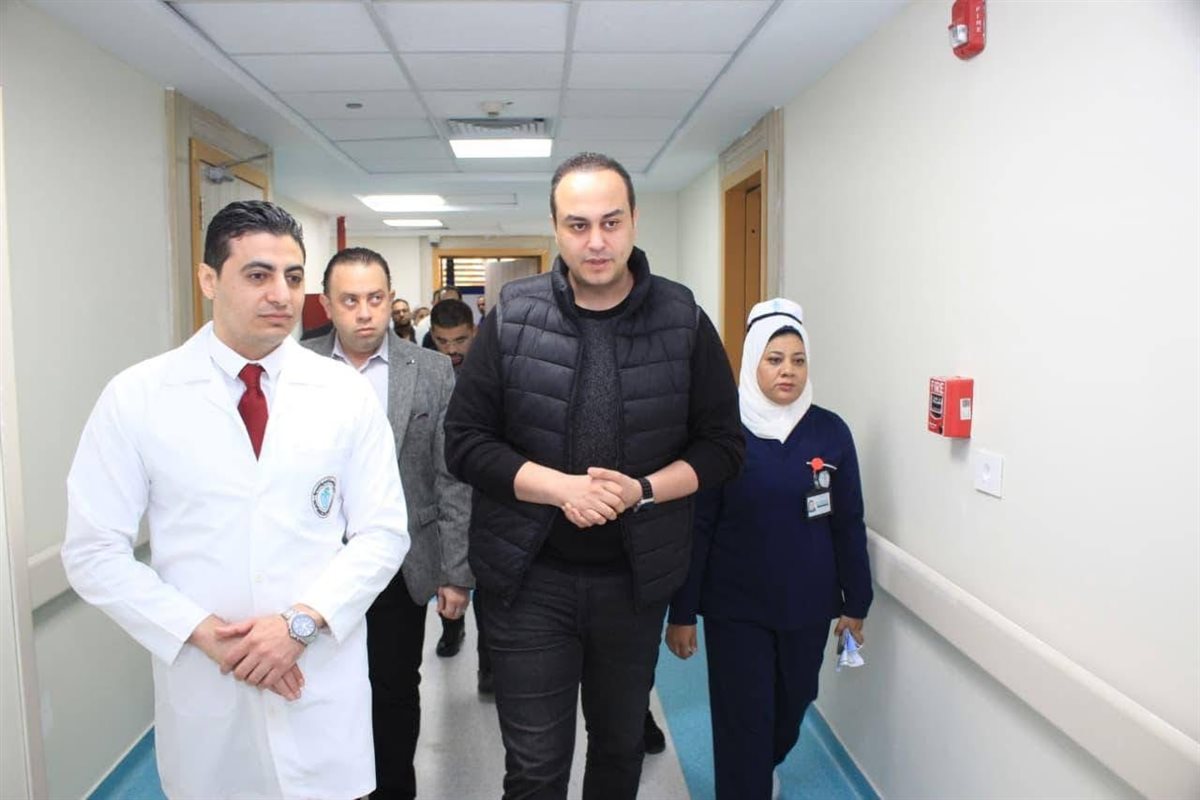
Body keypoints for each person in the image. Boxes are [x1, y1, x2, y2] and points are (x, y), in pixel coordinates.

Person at [61, 200, 410, 800]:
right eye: (257, 274)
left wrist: (300, 624)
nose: (281, 294)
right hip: (208, 679)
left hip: (317, 676)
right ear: (208, 280)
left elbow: (383, 532)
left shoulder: (343, 394)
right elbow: (93, 550)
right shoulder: (138, 396)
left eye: (293, 277)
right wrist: (201, 632)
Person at [444, 152, 744, 799]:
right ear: (556, 228)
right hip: (528, 580)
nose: (597, 241)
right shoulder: (513, 316)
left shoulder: (683, 318)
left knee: (618, 750)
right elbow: (464, 443)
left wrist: (643, 491)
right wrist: (560, 489)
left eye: (611, 222)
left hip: (633, 584)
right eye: (578, 225)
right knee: (535, 769)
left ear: (634, 220)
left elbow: (724, 447)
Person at [665, 298, 873, 800]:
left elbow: (848, 521)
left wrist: (857, 602)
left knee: (796, 698)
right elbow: (699, 527)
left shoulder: (830, 432)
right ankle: (748, 784)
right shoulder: (722, 435)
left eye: (798, 360)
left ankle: (762, 765)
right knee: (742, 716)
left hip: (807, 603)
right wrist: (683, 612)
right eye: (774, 359)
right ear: (752, 362)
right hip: (736, 606)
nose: (788, 371)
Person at [304, 247, 472, 799]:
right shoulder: (295, 367)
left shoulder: (430, 370)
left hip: (401, 563)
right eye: (350, 300)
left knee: (394, 689)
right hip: (314, 568)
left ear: (391, 297)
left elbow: (451, 476)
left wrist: (455, 573)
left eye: (375, 298)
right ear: (327, 304)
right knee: (319, 692)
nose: (365, 313)